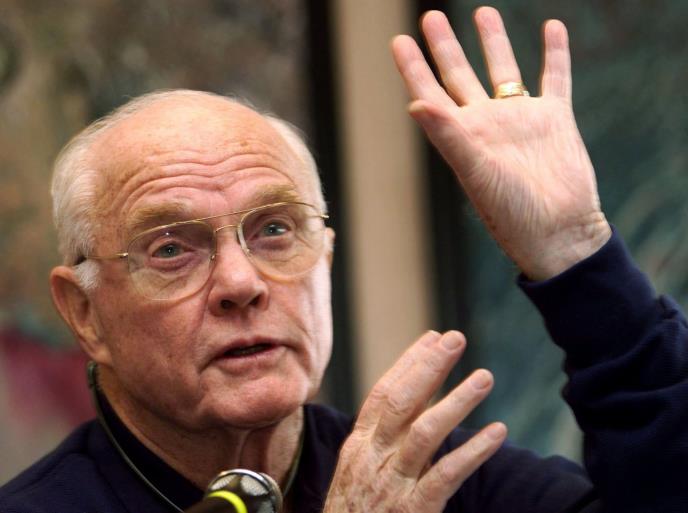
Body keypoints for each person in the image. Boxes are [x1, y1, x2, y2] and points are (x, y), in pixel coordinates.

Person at [1, 7, 686, 513]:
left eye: (275, 229)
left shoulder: (440, 484)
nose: (241, 282)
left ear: (325, 258)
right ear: (84, 313)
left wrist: (577, 254)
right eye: (172, 248)